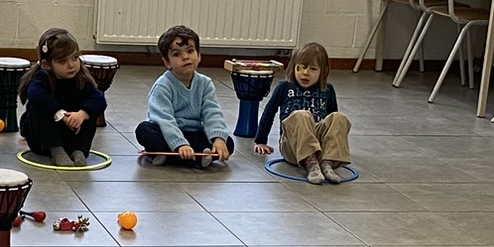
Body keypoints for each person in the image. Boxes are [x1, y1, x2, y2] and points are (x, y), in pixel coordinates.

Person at [253, 42, 352, 184]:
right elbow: (269, 112)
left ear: (323, 71)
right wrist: (261, 141)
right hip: (293, 146)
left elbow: (332, 122)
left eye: (313, 69)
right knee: (301, 115)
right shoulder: (284, 87)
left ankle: (327, 161)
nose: (305, 73)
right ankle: (310, 162)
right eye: (300, 68)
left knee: (339, 117)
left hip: (319, 146)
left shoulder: (328, 90)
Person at [135, 23, 231, 167]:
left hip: (193, 133)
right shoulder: (163, 86)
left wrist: (218, 138)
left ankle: (172, 157)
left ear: (199, 55)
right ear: (167, 62)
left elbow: (212, 113)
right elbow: (164, 119)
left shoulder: (205, 83)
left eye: (190, 51)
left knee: (228, 142)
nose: (185, 57)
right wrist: (180, 144)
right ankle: (193, 157)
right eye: (176, 54)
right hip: (166, 133)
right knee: (144, 130)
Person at [20, 26, 106, 168]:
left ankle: (79, 151)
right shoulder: (42, 77)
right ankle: (56, 150)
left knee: (89, 111)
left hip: (71, 133)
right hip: (42, 139)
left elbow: (98, 99)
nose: (71, 65)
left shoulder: (81, 78)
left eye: (75, 58)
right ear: (47, 64)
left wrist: (82, 114)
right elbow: (36, 95)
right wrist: (61, 115)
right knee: (40, 107)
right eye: (62, 61)